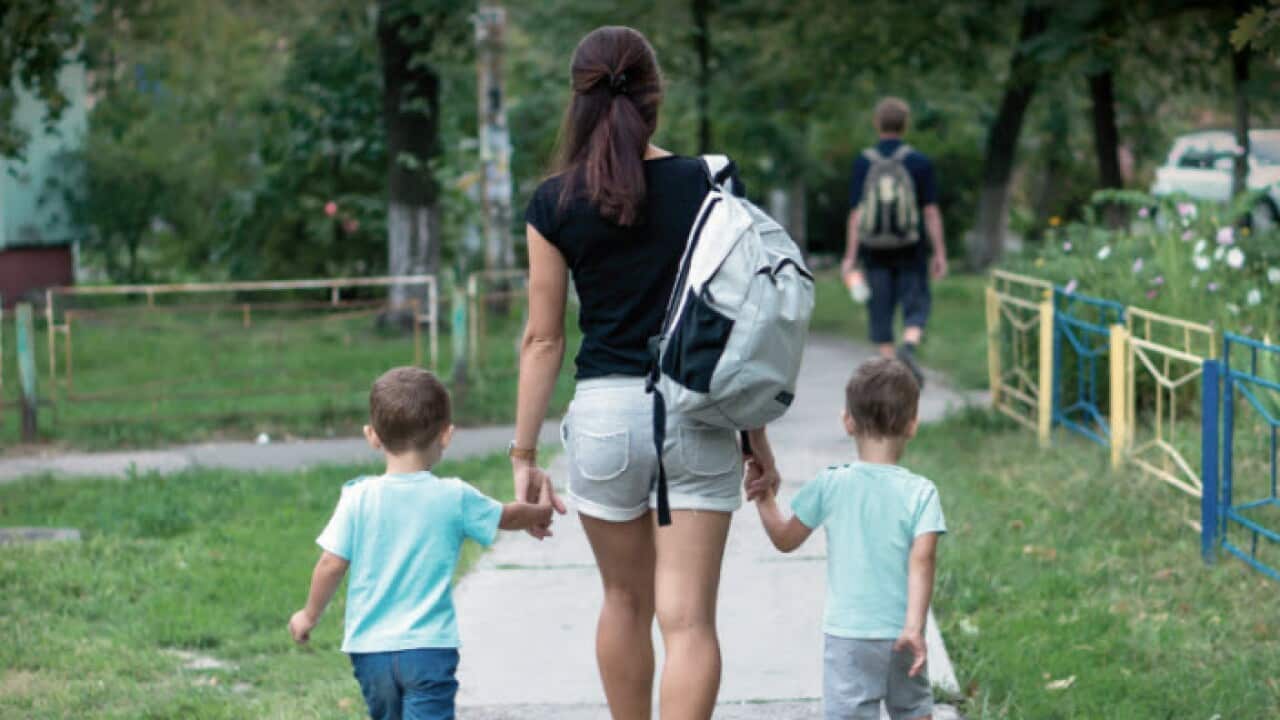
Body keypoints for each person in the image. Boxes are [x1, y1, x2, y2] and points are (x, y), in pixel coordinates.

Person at [512, 25, 781, 720]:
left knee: (622, 603)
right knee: (688, 622)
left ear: (579, 102)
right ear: (655, 98)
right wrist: (758, 444)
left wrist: (522, 455)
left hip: (604, 419)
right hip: (697, 414)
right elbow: (736, 328)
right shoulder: (710, 184)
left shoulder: (553, 203)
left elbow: (543, 339)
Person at [287, 367, 554, 720]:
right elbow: (509, 515)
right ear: (446, 436)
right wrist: (542, 510)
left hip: (370, 650)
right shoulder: (454, 496)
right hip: (429, 648)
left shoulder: (358, 498)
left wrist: (309, 615)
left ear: (372, 436)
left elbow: (331, 564)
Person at [745, 357, 945, 720]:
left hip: (849, 634)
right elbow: (923, 560)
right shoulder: (922, 492)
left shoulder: (831, 484)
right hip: (902, 631)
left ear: (847, 421)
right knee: (915, 711)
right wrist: (914, 627)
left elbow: (785, 539)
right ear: (913, 425)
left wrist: (764, 498)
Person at [841, 97, 947, 385]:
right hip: (911, 247)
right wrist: (939, 252)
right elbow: (931, 211)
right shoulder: (919, 162)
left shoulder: (864, 162)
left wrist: (850, 256)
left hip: (873, 249)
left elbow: (856, 214)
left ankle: (892, 372)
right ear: (905, 125)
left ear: (877, 124)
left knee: (880, 307)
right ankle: (908, 346)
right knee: (916, 303)